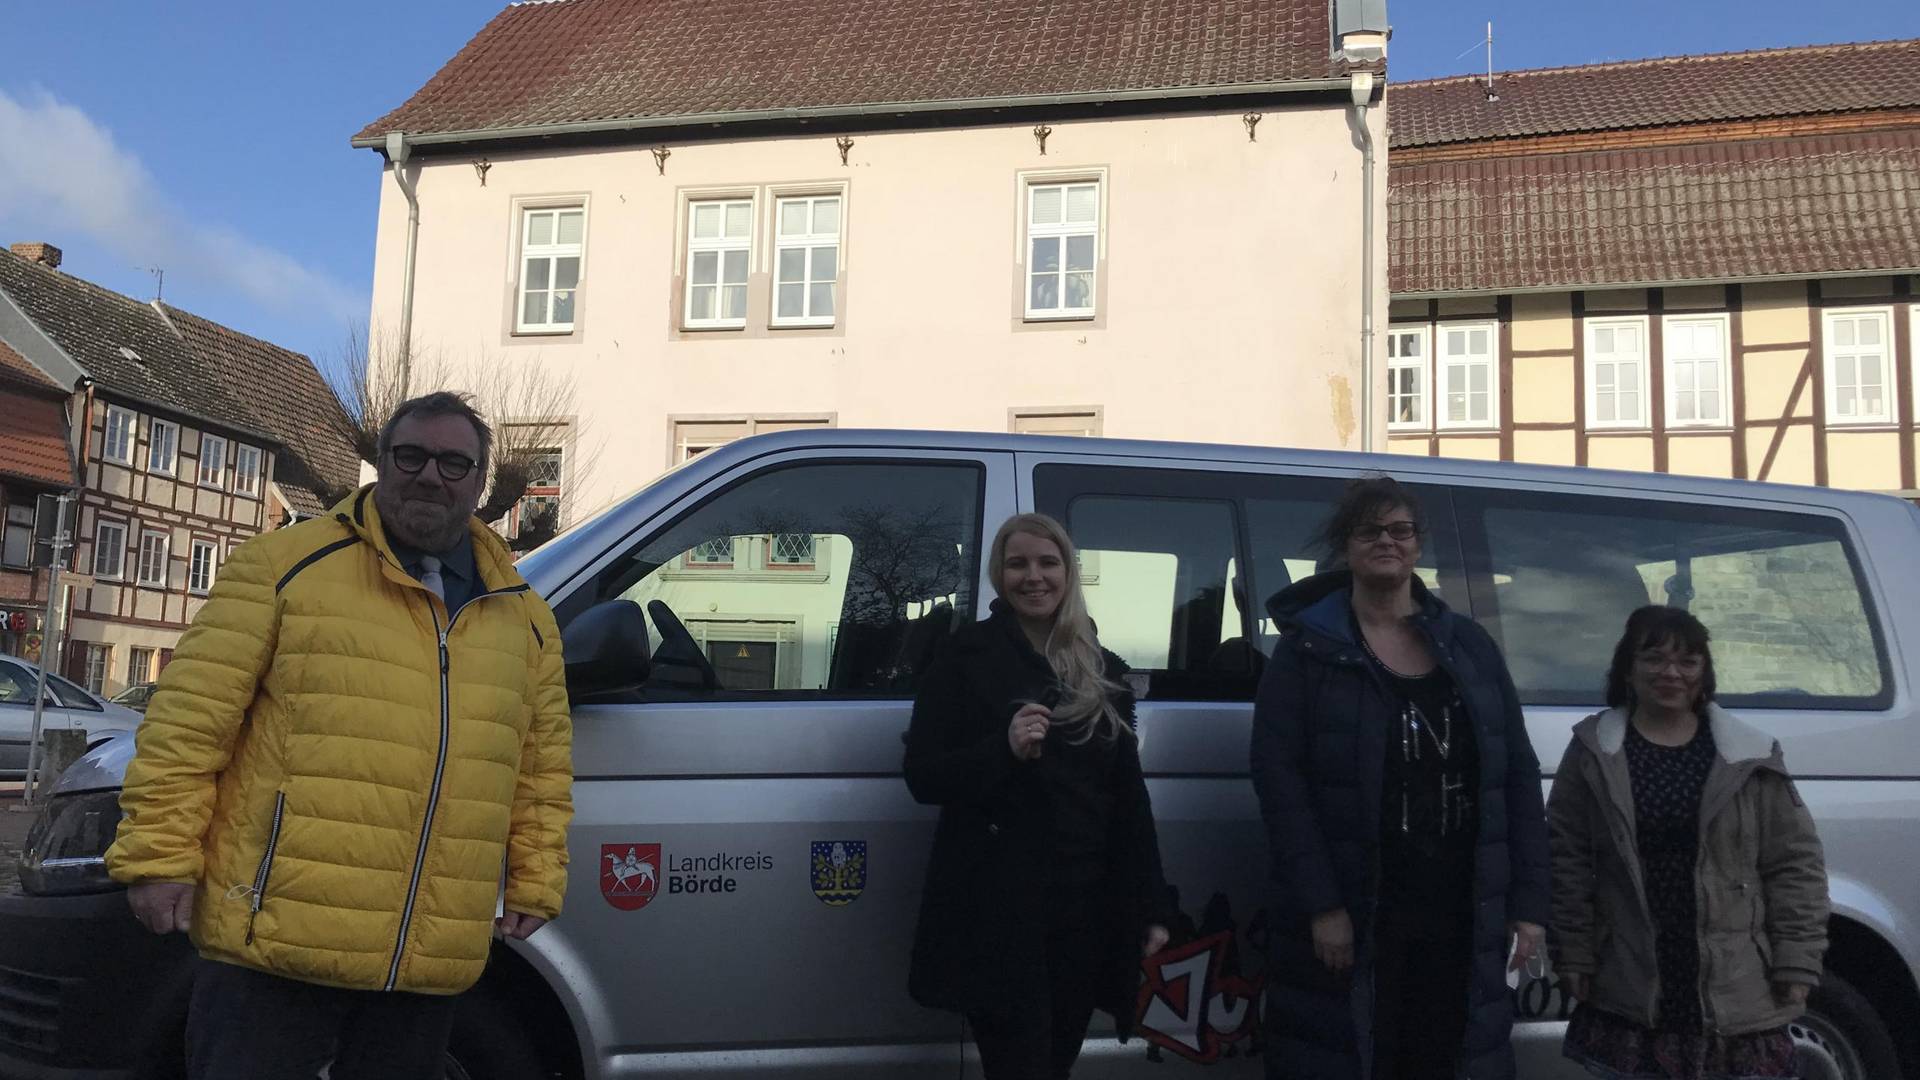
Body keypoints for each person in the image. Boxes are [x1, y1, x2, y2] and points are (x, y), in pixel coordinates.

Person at [104, 392, 574, 1080]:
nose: (429, 475)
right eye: (410, 455)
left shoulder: (524, 618)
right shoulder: (283, 567)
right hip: (276, 942)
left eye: (454, 462)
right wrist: (158, 857)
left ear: (480, 482)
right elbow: (187, 725)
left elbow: (539, 767)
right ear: (381, 465)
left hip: (426, 953)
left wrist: (536, 877)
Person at [1249, 476, 1550, 1080]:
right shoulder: (1309, 651)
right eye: (1369, 530)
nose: (1386, 541)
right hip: (1363, 901)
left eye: (1400, 529)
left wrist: (1528, 904)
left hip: (1458, 903)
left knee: (1445, 1049)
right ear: (1346, 546)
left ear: (1418, 544)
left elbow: (1516, 773)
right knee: (1363, 1049)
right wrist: (1323, 905)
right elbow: (1281, 785)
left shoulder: (1468, 645)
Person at [904, 512, 1172, 1079]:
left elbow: (1127, 799)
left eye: (1048, 563)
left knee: (1054, 1065)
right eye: (1018, 563)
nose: (1034, 577)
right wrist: (1001, 750)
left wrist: (1148, 905)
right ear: (998, 575)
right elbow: (923, 776)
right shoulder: (963, 658)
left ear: (1069, 573)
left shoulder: (1098, 665)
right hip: (999, 915)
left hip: (1084, 911)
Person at [1548, 606, 1827, 1080]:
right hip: (1631, 980)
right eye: (1653, 658)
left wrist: (1798, 962)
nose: (1670, 673)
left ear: (1704, 672)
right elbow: (1565, 859)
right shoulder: (1595, 751)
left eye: (1687, 661)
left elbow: (1794, 865)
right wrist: (1573, 951)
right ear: (1628, 669)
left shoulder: (1749, 754)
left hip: (1736, 986)